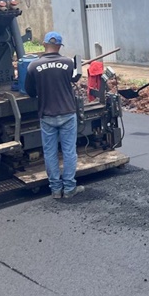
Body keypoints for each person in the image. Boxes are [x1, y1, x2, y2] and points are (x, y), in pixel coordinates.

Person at [24, 31, 85, 199]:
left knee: (50, 153)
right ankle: (70, 188)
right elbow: (74, 79)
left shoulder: (33, 66)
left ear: (44, 44)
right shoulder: (68, 63)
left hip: (47, 114)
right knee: (69, 152)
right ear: (59, 46)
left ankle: (56, 190)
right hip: (67, 113)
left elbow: (30, 92)